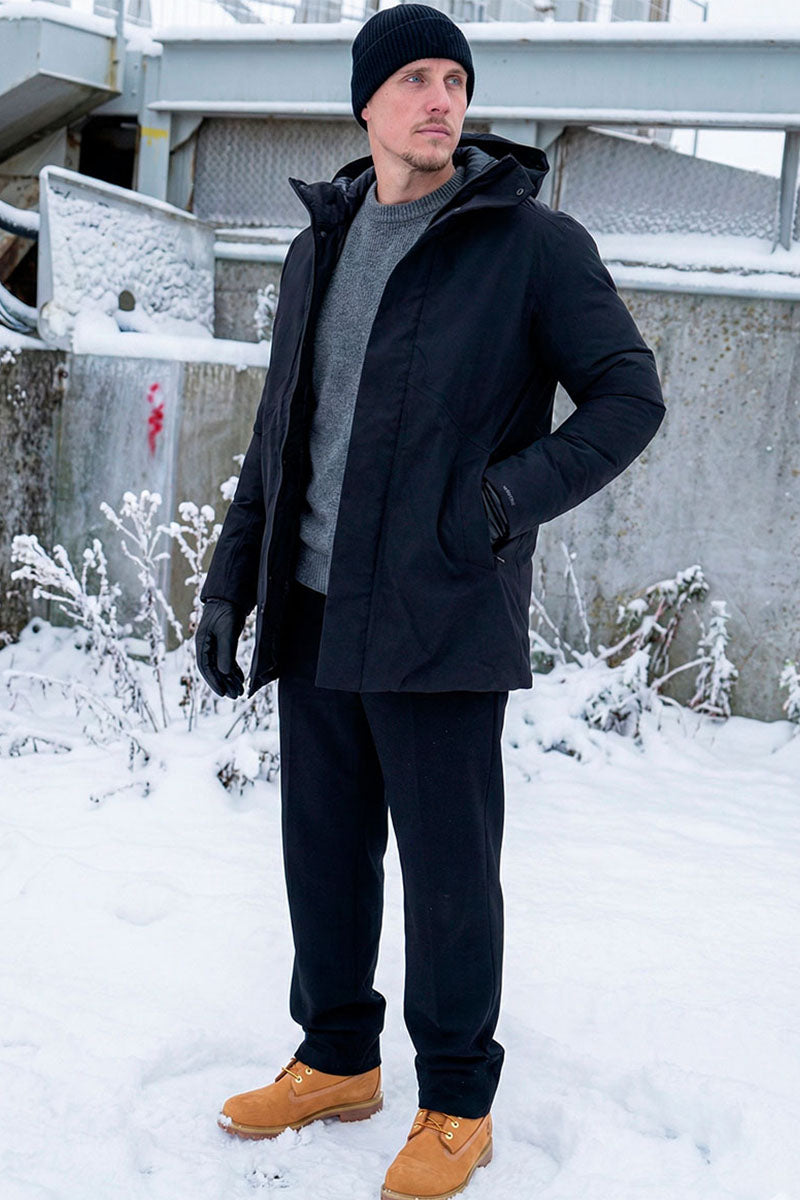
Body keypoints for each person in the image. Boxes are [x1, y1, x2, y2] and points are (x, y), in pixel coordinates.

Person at [195, 5, 666, 1197]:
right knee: (323, 856)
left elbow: (626, 397)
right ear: (365, 101)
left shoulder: (528, 245)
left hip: (440, 611)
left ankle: (456, 1099)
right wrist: (231, 580)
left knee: (449, 876)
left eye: (453, 78)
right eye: (412, 77)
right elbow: (280, 433)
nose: (439, 99)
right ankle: (336, 1058)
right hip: (314, 603)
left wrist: (500, 504)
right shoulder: (320, 243)